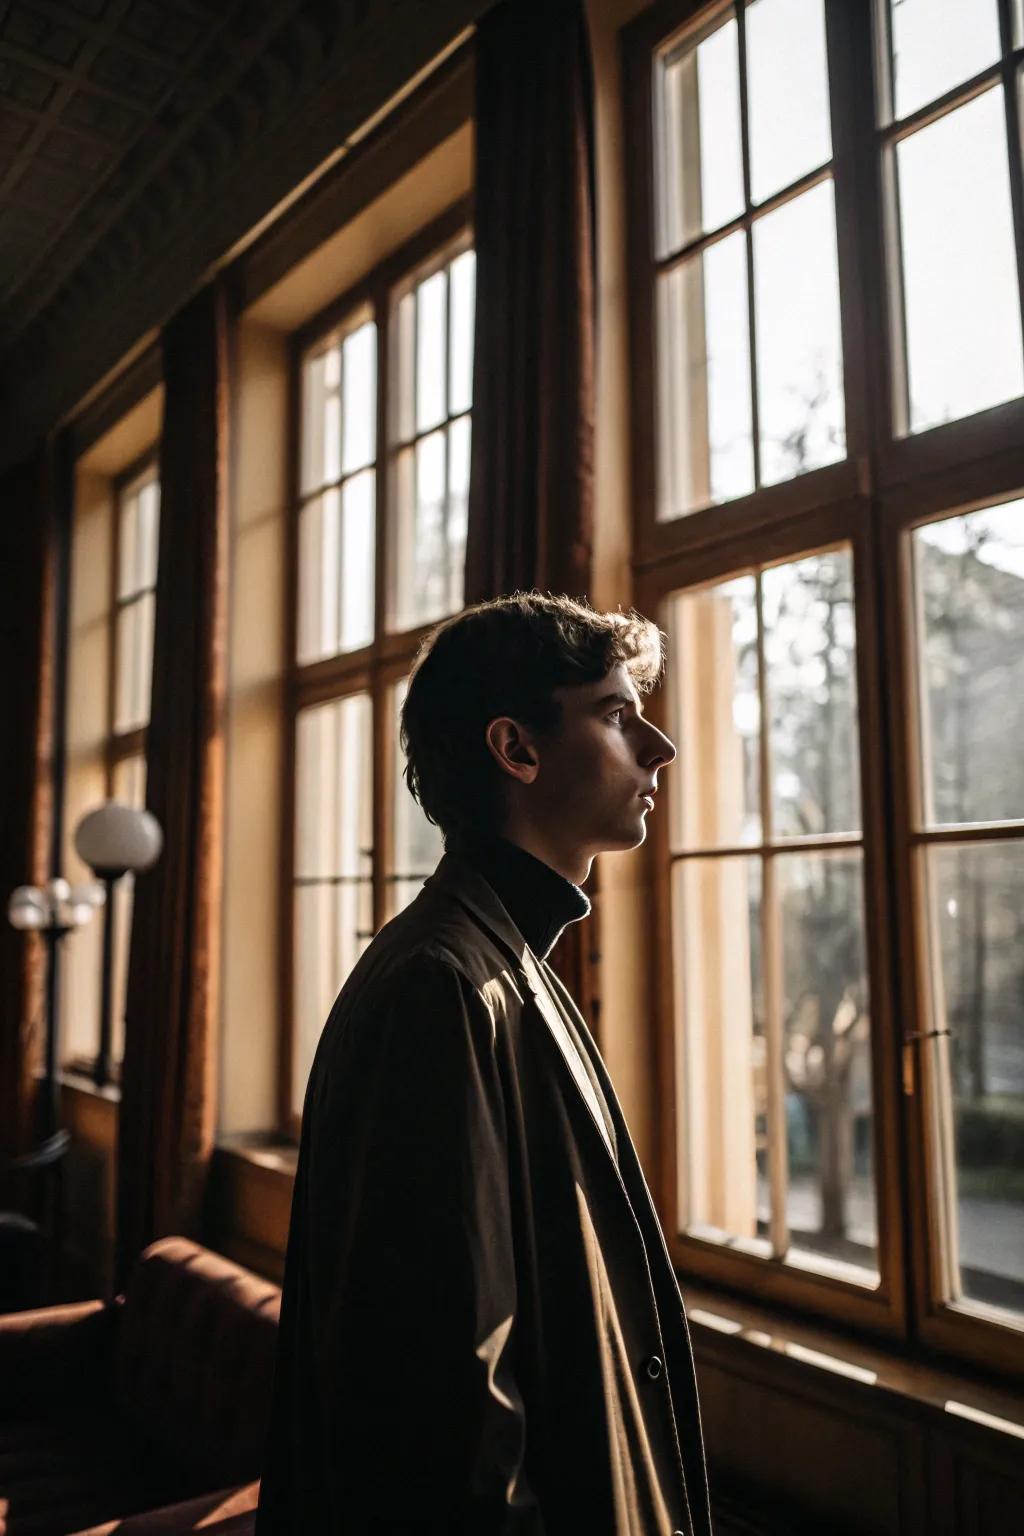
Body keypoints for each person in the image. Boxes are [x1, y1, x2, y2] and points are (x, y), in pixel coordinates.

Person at [256, 592, 712, 1536]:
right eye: (618, 716)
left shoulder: (501, 960)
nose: (658, 748)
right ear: (517, 749)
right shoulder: (446, 984)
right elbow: (442, 1399)